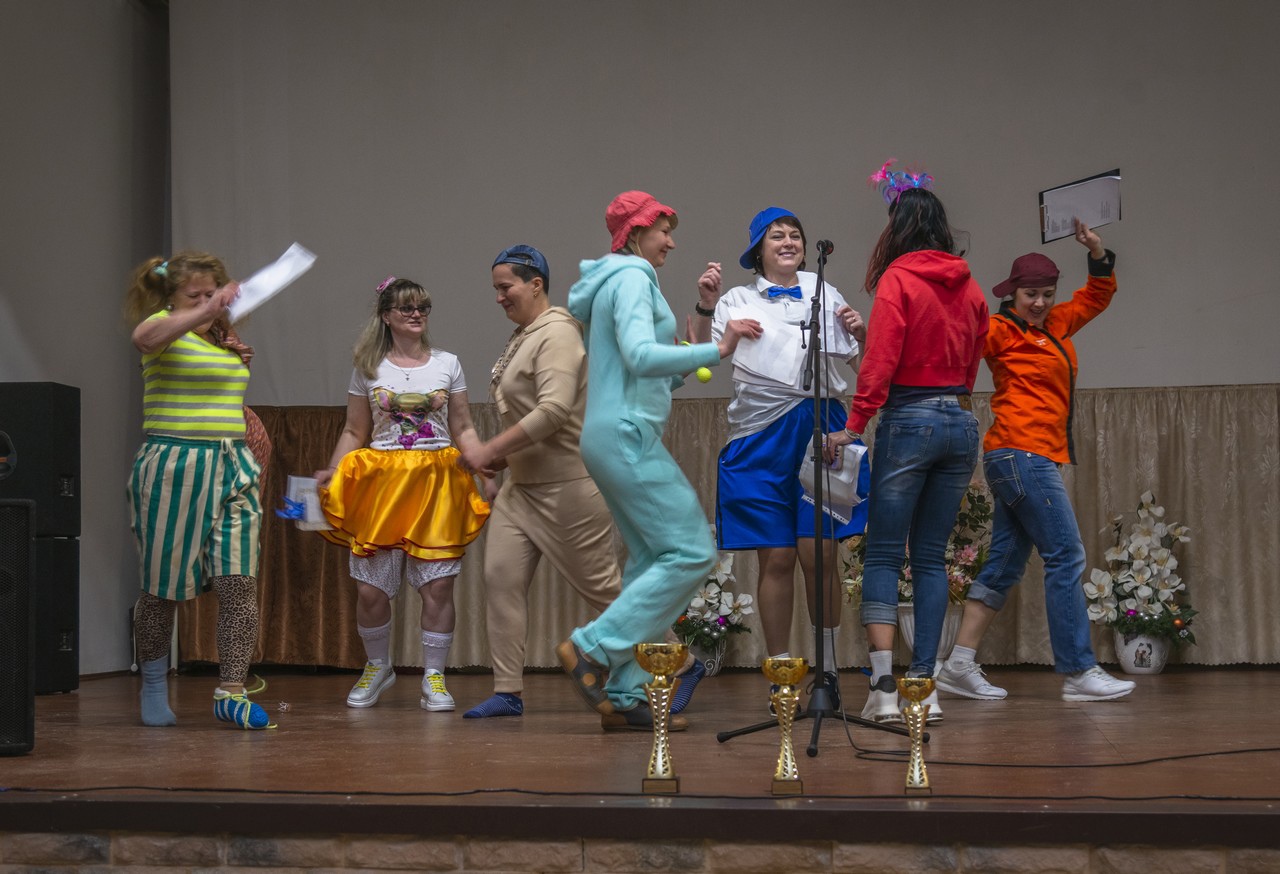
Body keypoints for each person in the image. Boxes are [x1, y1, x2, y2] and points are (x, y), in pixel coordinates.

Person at [556, 190, 762, 731]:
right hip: (625, 434)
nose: (670, 242)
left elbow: (657, 374)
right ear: (635, 233)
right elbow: (640, 356)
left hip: (616, 431)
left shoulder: (618, 280)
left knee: (652, 560)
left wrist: (696, 335)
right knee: (692, 551)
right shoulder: (629, 277)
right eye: (663, 231)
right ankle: (593, 647)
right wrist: (718, 349)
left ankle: (625, 692)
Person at [935, 220, 1135, 703]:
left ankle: (957, 665)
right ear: (1013, 294)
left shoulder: (1058, 324)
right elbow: (958, 345)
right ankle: (1079, 671)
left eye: (1047, 294)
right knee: (1066, 555)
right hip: (1020, 455)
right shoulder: (1000, 330)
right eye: (1031, 294)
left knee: (1004, 567)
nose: (1040, 303)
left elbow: (1098, 295)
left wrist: (1096, 251)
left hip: (1030, 457)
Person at [825, 164, 989, 724]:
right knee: (931, 558)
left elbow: (880, 363)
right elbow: (972, 358)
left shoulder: (898, 278)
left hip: (909, 421)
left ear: (898, 228)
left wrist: (853, 425)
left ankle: (884, 690)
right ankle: (926, 688)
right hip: (960, 422)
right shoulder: (969, 285)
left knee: (885, 553)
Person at [693, 206, 868, 713]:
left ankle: (828, 675)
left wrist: (861, 334)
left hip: (822, 429)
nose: (788, 241)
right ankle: (781, 676)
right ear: (758, 250)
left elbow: (864, 366)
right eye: (777, 236)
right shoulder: (737, 298)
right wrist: (706, 307)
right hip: (761, 437)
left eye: (795, 234)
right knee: (777, 557)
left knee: (820, 554)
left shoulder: (824, 291)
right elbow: (700, 359)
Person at [457, 245, 622, 719]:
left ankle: (678, 662)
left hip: (568, 488)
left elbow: (553, 411)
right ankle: (507, 691)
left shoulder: (558, 332)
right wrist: (501, 463)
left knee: (606, 594)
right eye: (495, 289)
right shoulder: (524, 335)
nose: (499, 297)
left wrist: (489, 450)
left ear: (535, 284)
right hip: (521, 491)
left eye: (505, 287)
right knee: (500, 578)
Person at [316, 276, 490, 712]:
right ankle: (378, 666)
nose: (417, 314)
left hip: (436, 481)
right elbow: (354, 429)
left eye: (423, 307)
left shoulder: (448, 363)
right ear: (386, 316)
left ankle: (434, 676)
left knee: (439, 587)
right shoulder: (368, 367)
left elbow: (463, 425)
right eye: (407, 307)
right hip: (382, 483)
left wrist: (482, 464)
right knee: (370, 590)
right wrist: (333, 471)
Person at [125, 251, 271, 730]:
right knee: (161, 589)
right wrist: (208, 311)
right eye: (195, 295)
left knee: (239, 583)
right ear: (171, 297)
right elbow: (143, 338)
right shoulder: (162, 329)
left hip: (232, 463)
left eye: (213, 293)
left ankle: (231, 690)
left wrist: (227, 343)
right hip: (175, 465)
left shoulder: (220, 339)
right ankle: (152, 683)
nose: (208, 301)